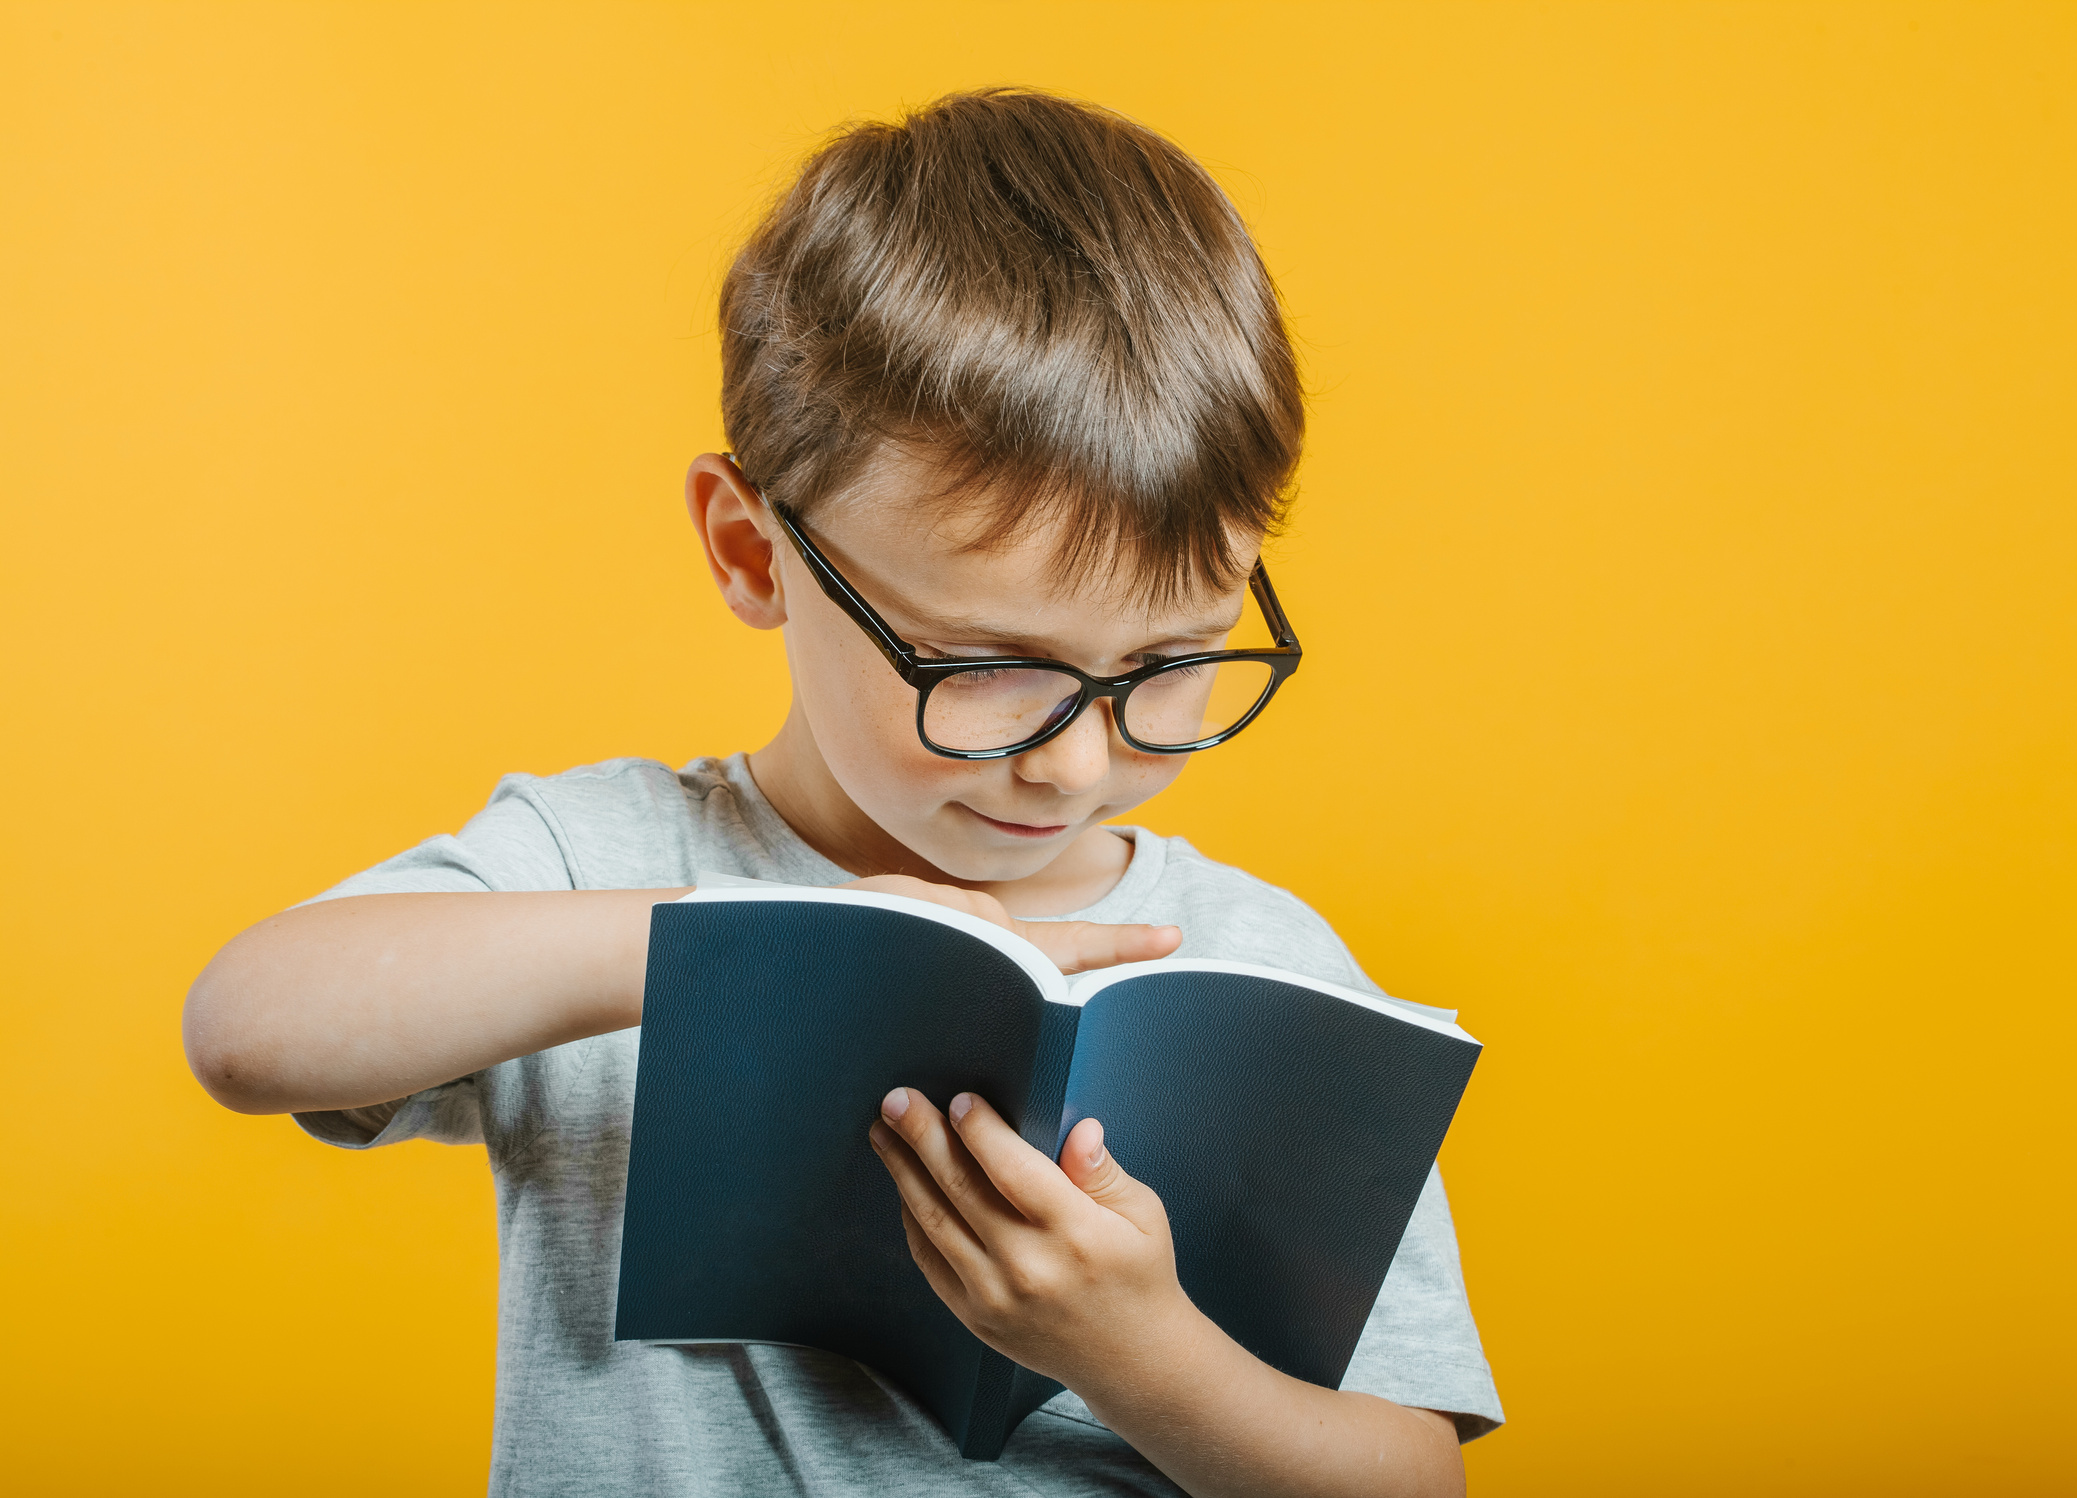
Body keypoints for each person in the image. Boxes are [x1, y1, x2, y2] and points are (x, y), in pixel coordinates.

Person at [184, 87, 1501, 1497]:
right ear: (755, 555)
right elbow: (250, 1025)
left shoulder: (1269, 973)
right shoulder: (608, 863)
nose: (1073, 758)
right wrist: (737, 947)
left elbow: (1405, 1481)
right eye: (989, 664)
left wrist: (1139, 1349)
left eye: (1171, 659)